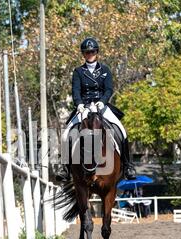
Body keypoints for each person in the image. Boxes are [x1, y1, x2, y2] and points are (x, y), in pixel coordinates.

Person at [56, 37, 136, 182]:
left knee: (121, 130)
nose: (89, 54)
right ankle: (65, 169)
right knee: (66, 134)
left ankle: (128, 165)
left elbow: (109, 89)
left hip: (101, 106)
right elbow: (75, 90)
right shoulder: (78, 71)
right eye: (87, 52)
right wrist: (79, 103)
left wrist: (102, 102)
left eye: (92, 52)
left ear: (96, 52)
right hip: (85, 107)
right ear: (83, 54)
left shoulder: (105, 70)